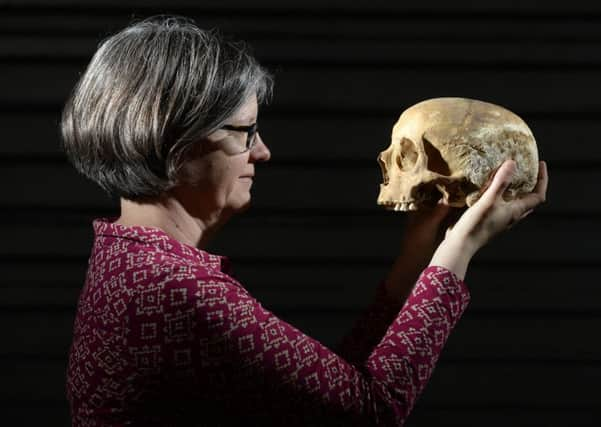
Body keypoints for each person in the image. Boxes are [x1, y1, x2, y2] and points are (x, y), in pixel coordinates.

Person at [62, 16, 548, 427]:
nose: (262, 151)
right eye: (245, 132)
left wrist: (418, 253)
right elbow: (370, 411)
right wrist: (458, 252)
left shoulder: (128, 260)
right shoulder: (173, 291)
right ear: (173, 140)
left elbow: (329, 392)